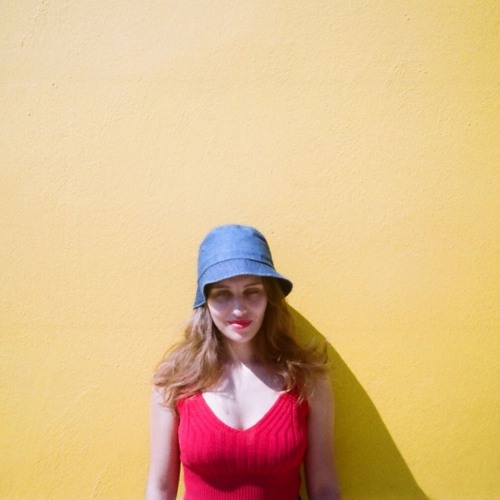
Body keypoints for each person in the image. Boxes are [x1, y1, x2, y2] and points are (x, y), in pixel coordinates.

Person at [146, 224, 340, 499]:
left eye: (252, 292)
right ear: (205, 301)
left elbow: (324, 489)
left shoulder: (308, 379)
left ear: (269, 297)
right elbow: (160, 488)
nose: (239, 309)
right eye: (222, 294)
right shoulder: (174, 381)